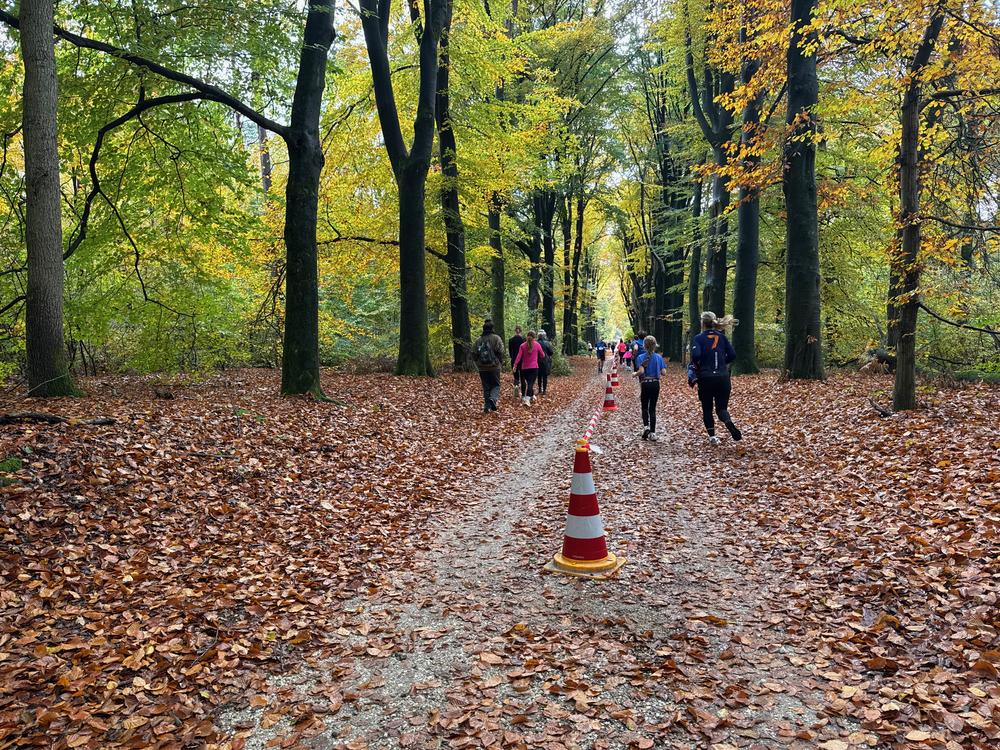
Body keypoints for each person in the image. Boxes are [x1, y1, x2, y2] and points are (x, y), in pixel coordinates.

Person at [689, 311, 743, 445]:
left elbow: (696, 356)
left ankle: (712, 437)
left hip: (706, 378)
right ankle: (728, 422)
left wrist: (700, 365)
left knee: (707, 408)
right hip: (723, 377)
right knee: (721, 409)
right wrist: (722, 362)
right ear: (713, 323)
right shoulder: (722, 337)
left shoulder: (698, 338)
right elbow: (732, 355)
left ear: (702, 323)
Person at [634, 335, 666, 441]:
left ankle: (646, 426)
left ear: (644, 345)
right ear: (655, 345)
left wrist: (635, 374)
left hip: (645, 383)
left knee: (644, 406)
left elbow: (641, 371)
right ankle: (653, 433)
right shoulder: (659, 357)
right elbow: (664, 373)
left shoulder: (640, 357)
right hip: (655, 383)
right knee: (652, 408)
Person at [472, 319, 505, 413]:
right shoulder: (496, 338)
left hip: (482, 368)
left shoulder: (478, 340)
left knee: (486, 387)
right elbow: (501, 351)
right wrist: (500, 362)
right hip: (494, 366)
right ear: (492, 328)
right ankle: (493, 399)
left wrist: (478, 363)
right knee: (496, 385)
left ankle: (487, 406)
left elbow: (474, 354)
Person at [512, 330, 545, 406]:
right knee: (530, 384)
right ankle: (527, 399)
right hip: (534, 368)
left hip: (525, 368)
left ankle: (532, 396)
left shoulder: (522, 346)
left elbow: (518, 357)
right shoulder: (537, 345)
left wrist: (515, 365)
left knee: (529, 383)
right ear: (534, 337)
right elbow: (542, 355)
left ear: (527, 336)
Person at [508, 325, 525, 397]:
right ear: (521, 331)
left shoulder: (511, 340)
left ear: (515, 331)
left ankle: (516, 391)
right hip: (522, 360)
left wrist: (512, 357)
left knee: (516, 376)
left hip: (514, 360)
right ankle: (523, 393)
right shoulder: (523, 340)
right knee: (522, 376)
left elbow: (510, 351)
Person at [537, 330, 554, 395]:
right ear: (544, 336)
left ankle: (539, 390)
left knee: (539, 376)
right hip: (545, 361)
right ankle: (544, 390)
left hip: (537, 361)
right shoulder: (547, 343)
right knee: (545, 376)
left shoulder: (535, 342)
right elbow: (551, 352)